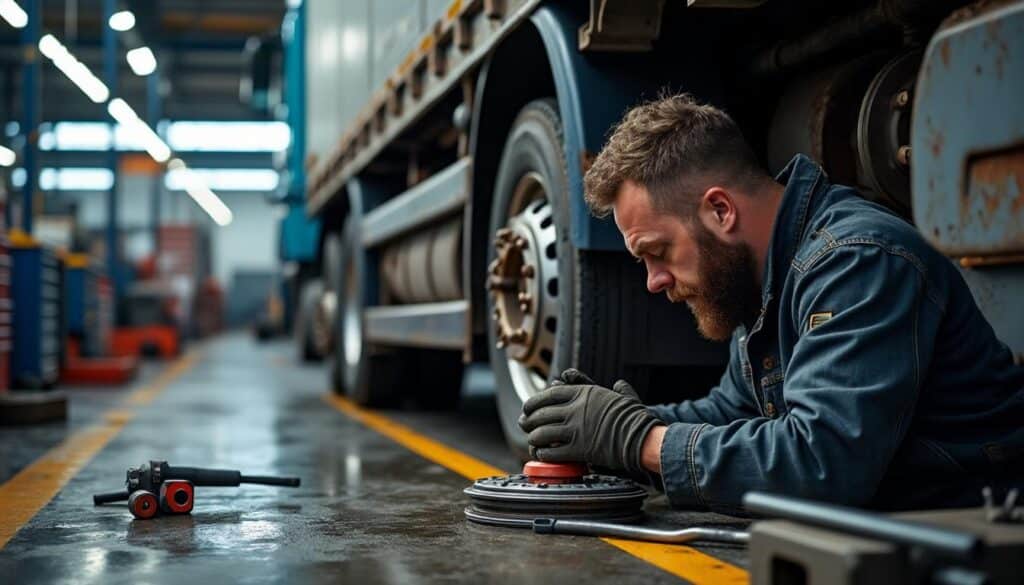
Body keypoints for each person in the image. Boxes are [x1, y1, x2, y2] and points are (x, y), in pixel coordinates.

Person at [518, 93, 1024, 511]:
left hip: (980, 529)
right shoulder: (762, 278)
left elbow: (823, 463)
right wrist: (613, 423)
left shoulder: (857, 260)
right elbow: (732, 410)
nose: (654, 281)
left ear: (720, 210)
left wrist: (639, 440)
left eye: (658, 252)